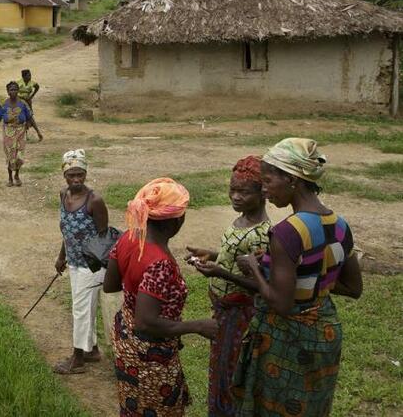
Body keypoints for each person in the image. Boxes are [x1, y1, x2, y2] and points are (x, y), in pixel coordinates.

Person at [232, 138, 362, 416]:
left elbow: (281, 302)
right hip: (325, 335)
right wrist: (309, 277)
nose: (264, 190)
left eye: (267, 181)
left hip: (287, 341)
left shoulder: (286, 232)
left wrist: (253, 267)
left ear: (293, 180)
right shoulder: (340, 225)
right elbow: (353, 287)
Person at [103, 177, 218, 417]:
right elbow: (146, 322)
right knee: (156, 407)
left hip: (126, 338)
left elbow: (110, 285)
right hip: (150, 353)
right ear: (175, 221)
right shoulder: (160, 264)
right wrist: (197, 326)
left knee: (134, 404)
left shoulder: (129, 236)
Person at [186, 156, 271, 417]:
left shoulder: (263, 234)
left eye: (244, 192)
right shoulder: (242, 221)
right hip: (224, 311)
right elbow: (234, 257)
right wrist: (213, 255)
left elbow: (261, 285)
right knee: (221, 369)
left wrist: (222, 273)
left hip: (241, 316)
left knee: (232, 372)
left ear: (262, 192)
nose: (235, 196)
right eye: (232, 189)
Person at [53, 149, 109, 374]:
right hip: (74, 262)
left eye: (80, 175)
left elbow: (104, 237)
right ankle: (92, 349)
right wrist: (61, 256)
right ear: (64, 175)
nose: (76, 180)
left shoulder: (94, 200)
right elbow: (67, 230)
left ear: (86, 173)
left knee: (80, 310)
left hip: (91, 265)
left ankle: (77, 359)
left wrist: (94, 268)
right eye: (71, 175)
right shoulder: (63, 194)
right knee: (85, 307)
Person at [0, 81, 42, 186]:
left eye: (15, 89)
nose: (13, 91)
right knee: (10, 155)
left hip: (21, 131)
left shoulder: (23, 104)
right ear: (8, 91)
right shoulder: (3, 104)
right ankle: (10, 178)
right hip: (8, 132)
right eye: (11, 89)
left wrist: (38, 132)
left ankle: (17, 175)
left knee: (19, 156)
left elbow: (30, 117)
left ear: (18, 91)